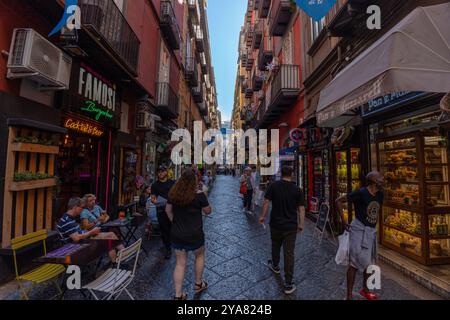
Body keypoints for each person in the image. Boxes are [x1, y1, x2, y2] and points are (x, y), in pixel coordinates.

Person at [336, 171, 384, 300]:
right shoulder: (361, 193)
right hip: (359, 231)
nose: (382, 179)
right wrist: (343, 220)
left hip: (371, 232)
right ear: (373, 181)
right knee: (354, 264)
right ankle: (349, 295)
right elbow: (339, 201)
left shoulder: (380, 194)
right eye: (380, 178)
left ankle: (366, 290)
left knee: (370, 263)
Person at [165, 169, 212, 300]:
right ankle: (198, 283)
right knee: (199, 255)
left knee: (180, 263)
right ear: (195, 181)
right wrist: (205, 194)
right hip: (194, 233)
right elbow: (208, 211)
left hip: (177, 233)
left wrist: (175, 222)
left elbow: (168, 210)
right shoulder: (199, 195)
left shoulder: (173, 194)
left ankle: (178, 295)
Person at [259, 166, 305, 295]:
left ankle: (275, 265)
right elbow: (301, 209)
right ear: (292, 174)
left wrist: (262, 216)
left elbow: (266, 202)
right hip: (290, 226)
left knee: (275, 245)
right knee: (289, 253)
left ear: (280, 174)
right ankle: (288, 283)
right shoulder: (297, 189)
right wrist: (301, 224)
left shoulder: (273, 186)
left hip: (276, 224)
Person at [57, 197, 124, 263]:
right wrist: (91, 232)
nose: (82, 209)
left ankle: (119, 259)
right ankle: (119, 259)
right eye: (81, 207)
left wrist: (91, 232)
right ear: (75, 207)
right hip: (77, 247)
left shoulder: (69, 218)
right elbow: (76, 238)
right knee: (109, 240)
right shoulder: (67, 221)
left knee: (110, 236)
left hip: (84, 241)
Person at [151, 165, 176, 259]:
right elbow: (153, 198)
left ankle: (172, 243)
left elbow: (177, 194)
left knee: (172, 227)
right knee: (164, 229)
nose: (160, 173)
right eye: (159, 171)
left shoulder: (172, 183)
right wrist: (156, 201)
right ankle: (168, 248)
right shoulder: (155, 185)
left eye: (162, 171)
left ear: (166, 172)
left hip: (172, 209)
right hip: (161, 210)